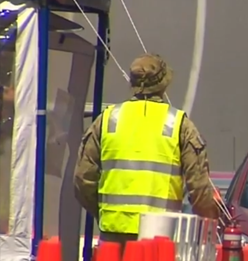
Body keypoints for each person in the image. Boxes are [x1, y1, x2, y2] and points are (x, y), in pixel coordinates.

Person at [74, 53, 219, 250]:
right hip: (159, 237)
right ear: (164, 84)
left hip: (114, 236)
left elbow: (83, 180)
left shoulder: (107, 120)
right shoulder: (179, 124)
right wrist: (212, 221)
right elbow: (199, 188)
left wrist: (105, 213)